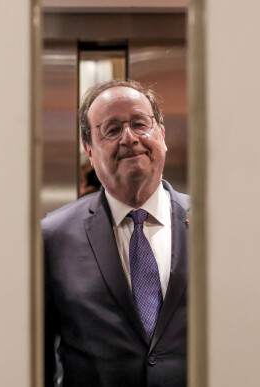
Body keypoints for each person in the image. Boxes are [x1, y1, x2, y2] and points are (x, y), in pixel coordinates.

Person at [42, 79, 189, 387]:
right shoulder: (53, 237)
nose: (129, 138)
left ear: (162, 135)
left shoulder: (214, 226)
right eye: (111, 129)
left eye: (140, 124)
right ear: (89, 151)